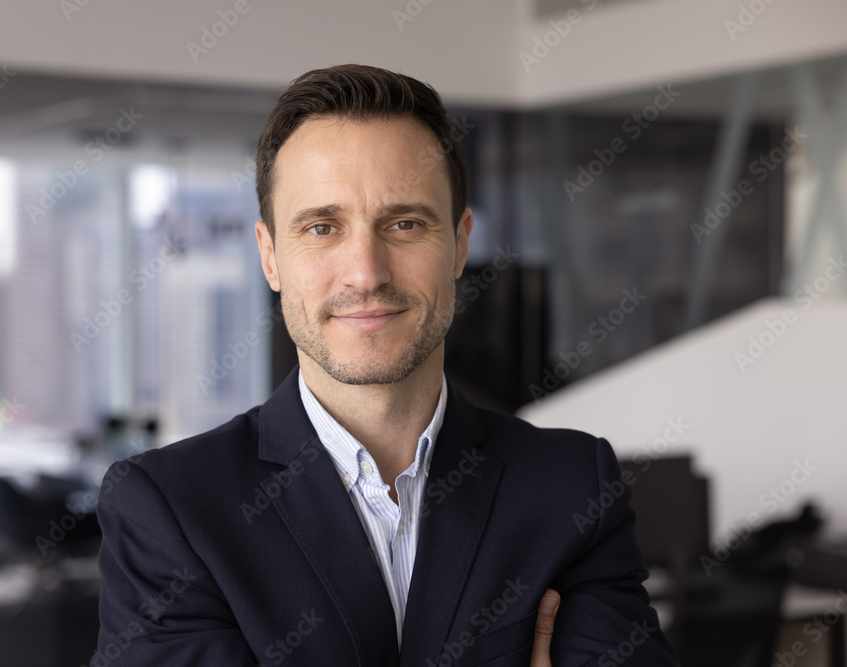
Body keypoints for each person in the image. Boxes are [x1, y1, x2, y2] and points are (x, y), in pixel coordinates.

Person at [91, 64, 681, 666]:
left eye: (404, 224)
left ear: (460, 243)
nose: (367, 273)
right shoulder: (169, 508)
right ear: (270, 257)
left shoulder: (574, 487)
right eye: (322, 228)